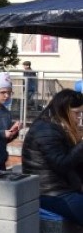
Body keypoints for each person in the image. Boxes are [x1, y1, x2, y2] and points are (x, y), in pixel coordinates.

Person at [22, 89, 83, 225]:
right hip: (50, 193)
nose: (79, 117)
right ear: (63, 110)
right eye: (76, 113)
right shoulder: (45, 130)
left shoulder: (59, 125)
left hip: (63, 188)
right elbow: (61, 164)